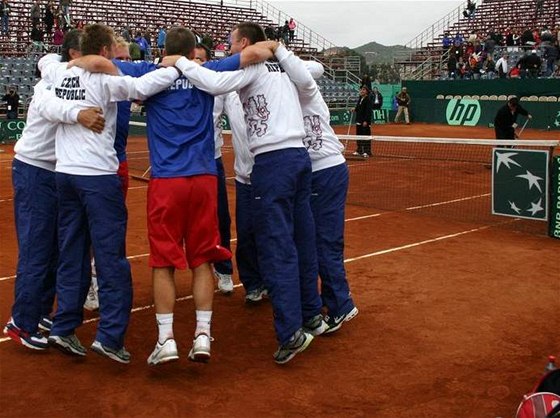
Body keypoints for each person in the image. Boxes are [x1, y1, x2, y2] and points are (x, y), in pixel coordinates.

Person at [107, 27, 273, 366]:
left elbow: (104, 65)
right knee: (202, 259)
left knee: (164, 261)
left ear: (165, 49)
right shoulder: (207, 70)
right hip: (203, 178)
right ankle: (201, 334)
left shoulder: (150, 71)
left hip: (168, 181)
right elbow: (255, 53)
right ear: (193, 51)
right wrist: (276, 45)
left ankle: (166, 339)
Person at [169, 22, 328, 364]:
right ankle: (312, 313)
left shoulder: (251, 67)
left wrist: (179, 62)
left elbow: (212, 82)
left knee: (278, 246)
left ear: (244, 43)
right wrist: (280, 49)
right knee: (303, 238)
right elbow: (310, 74)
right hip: (299, 158)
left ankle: (290, 333)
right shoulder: (285, 66)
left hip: (273, 163)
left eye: (231, 43)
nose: (228, 49)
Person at [38, 23, 182, 364]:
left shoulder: (58, 73)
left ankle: (63, 326)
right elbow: (142, 85)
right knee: (110, 256)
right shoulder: (104, 80)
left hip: (65, 174)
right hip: (98, 177)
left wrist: (69, 67)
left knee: (72, 252)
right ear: (104, 51)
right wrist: (176, 64)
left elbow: (46, 63)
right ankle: (111, 336)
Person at [3, 29, 106, 351]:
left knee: (52, 249)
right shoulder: (52, 81)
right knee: (37, 249)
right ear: (75, 56)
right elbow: (51, 107)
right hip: (35, 171)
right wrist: (79, 114)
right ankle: (22, 321)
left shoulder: (62, 74)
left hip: (52, 173)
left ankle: (40, 311)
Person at [273, 43, 359, 333]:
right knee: (314, 240)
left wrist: (278, 61)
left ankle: (341, 305)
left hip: (327, 170)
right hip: (316, 172)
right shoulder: (288, 94)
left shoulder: (305, 86)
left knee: (325, 241)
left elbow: (316, 67)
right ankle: (332, 300)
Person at [352, 85, 372, 158]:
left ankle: (367, 151)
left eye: (363, 90)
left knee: (366, 137)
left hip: (365, 121)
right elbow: (358, 108)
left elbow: (368, 111)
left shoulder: (368, 100)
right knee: (359, 136)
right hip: (359, 120)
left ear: (366, 92)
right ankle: (359, 150)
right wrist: (354, 109)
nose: (361, 91)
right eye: (361, 90)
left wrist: (366, 121)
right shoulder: (360, 98)